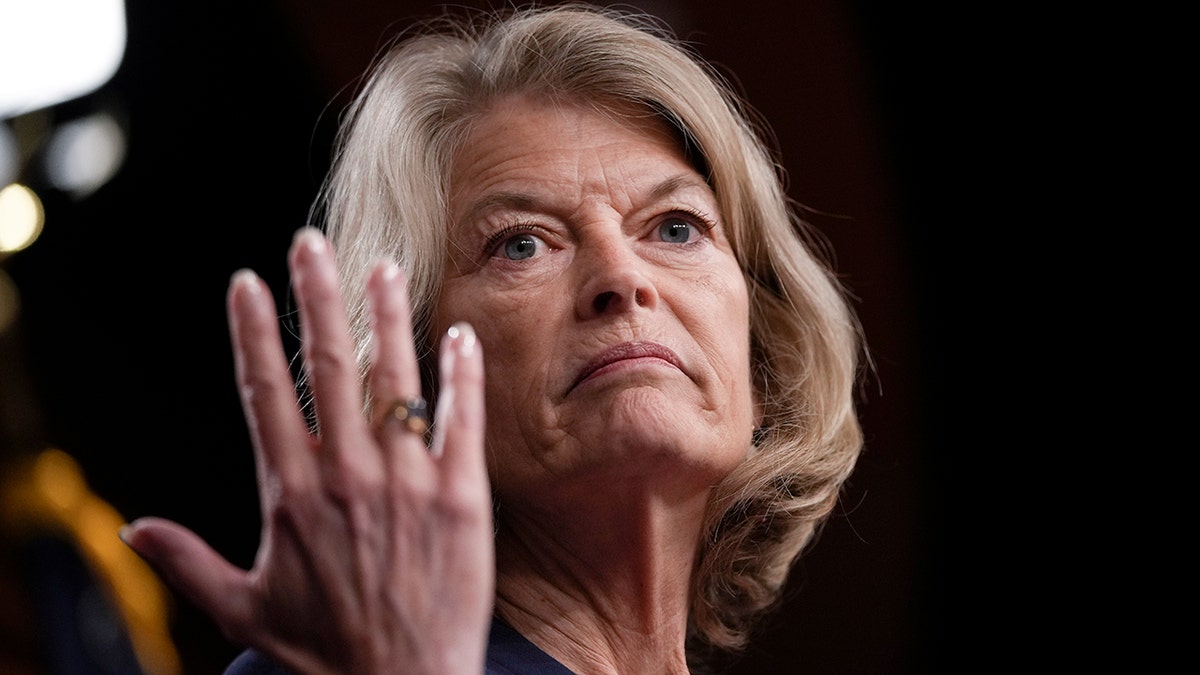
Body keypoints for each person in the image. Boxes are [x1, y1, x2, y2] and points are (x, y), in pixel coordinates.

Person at [119, 3, 869, 674]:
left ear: (762, 357)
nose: (622, 277)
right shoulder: (347, 664)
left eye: (676, 228)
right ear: (415, 374)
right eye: (520, 244)